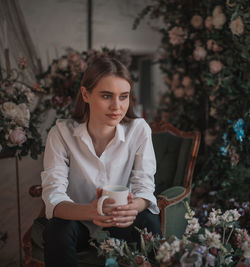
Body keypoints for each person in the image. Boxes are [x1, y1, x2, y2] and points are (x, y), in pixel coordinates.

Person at [41, 57, 161, 266]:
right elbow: (54, 195)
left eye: (123, 97)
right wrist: (91, 211)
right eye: (107, 96)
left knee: (148, 219)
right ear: (85, 94)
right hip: (79, 223)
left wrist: (134, 208)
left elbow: (144, 186)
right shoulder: (60, 133)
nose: (117, 106)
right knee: (56, 228)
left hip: (122, 222)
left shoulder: (139, 130)